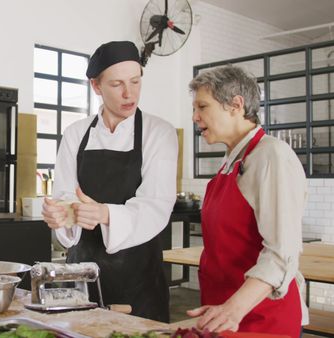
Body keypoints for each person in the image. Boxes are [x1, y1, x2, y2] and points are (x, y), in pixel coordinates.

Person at [41, 40, 178, 322]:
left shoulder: (158, 133)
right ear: (96, 86)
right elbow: (67, 197)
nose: (130, 94)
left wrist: (104, 213)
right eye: (117, 84)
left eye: (136, 81)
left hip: (140, 284)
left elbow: (157, 205)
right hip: (81, 280)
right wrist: (60, 215)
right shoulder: (76, 133)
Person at [187, 65, 308, 338]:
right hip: (224, 315)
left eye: (202, 107)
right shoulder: (232, 160)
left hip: (261, 318)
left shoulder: (272, 156)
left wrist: (234, 308)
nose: (195, 117)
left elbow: (281, 253)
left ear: (236, 105)